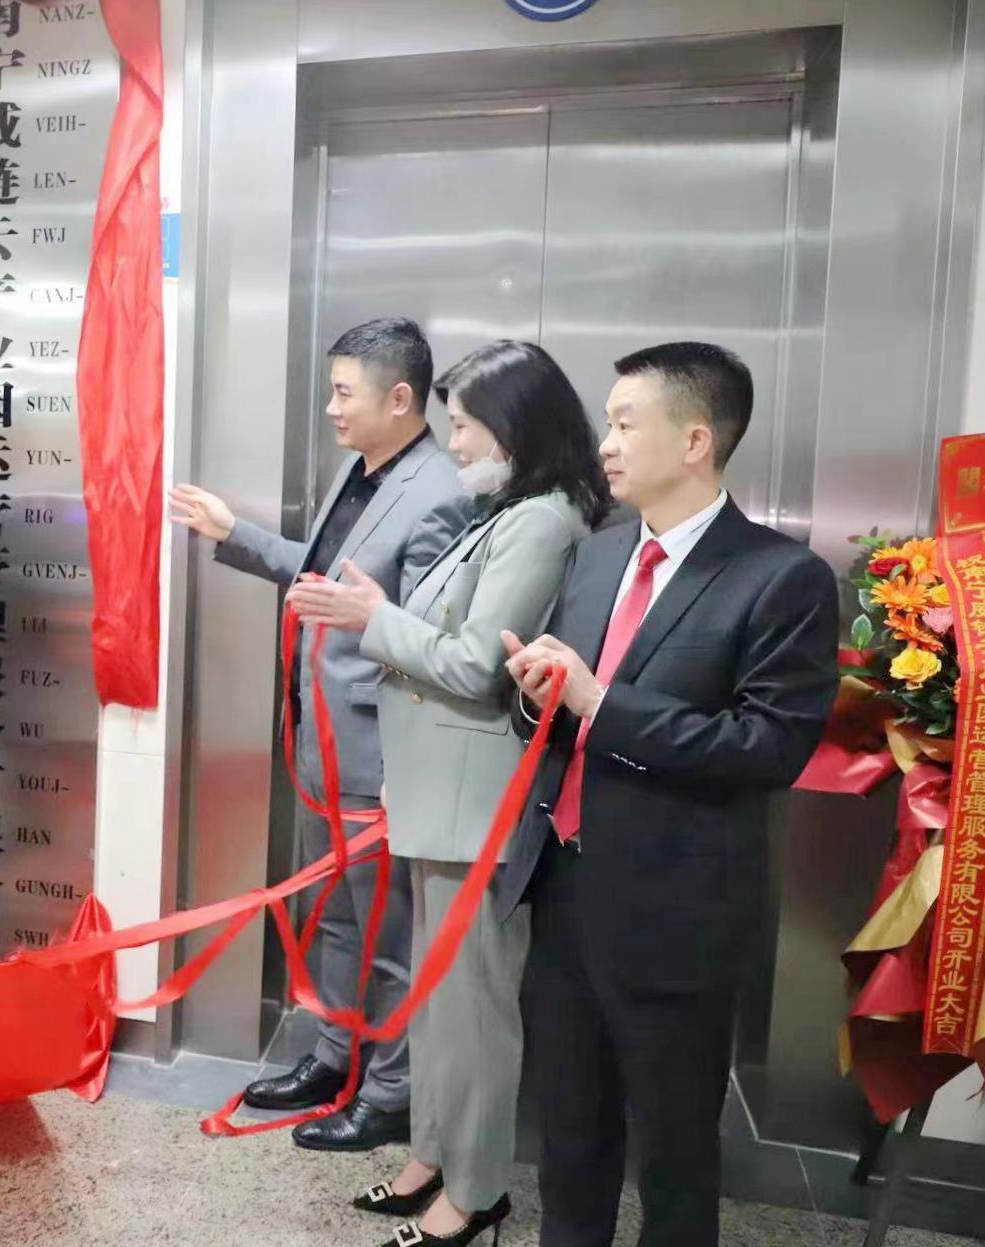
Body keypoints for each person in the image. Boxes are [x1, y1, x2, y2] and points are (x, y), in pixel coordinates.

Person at [500, 343, 839, 1247]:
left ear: (695, 440)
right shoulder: (599, 554)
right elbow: (570, 705)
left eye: (624, 424)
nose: (605, 445)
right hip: (565, 891)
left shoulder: (781, 578)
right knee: (568, 1139)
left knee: (675, 1156)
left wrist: (600, 702)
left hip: (677, 913)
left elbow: (766, 748)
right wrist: (536, 693)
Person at [286, 341, 609, 1245]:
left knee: (473, 1013)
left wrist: (373, 619)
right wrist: (381, 617)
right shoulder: (499, 511)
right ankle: (431, 1156)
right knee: (437, 1002)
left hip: (480, 809)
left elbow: (474, 665)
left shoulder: (542, 522)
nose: (454, 441)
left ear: (515, 426)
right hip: (440, 798)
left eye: (464, 425)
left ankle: (475, 1189)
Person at [169, 318, 473, 1152]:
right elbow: (323, 573)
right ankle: (336, 1054)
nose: (332, 409)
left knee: (389, 935)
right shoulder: (360, 467)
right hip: (317, 748)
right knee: (334, 917)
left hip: (380, 756)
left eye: (344, 393)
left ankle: (391, 1091)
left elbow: (430, 637)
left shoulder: (439, 492)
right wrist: (234, 533)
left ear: (399, 398)